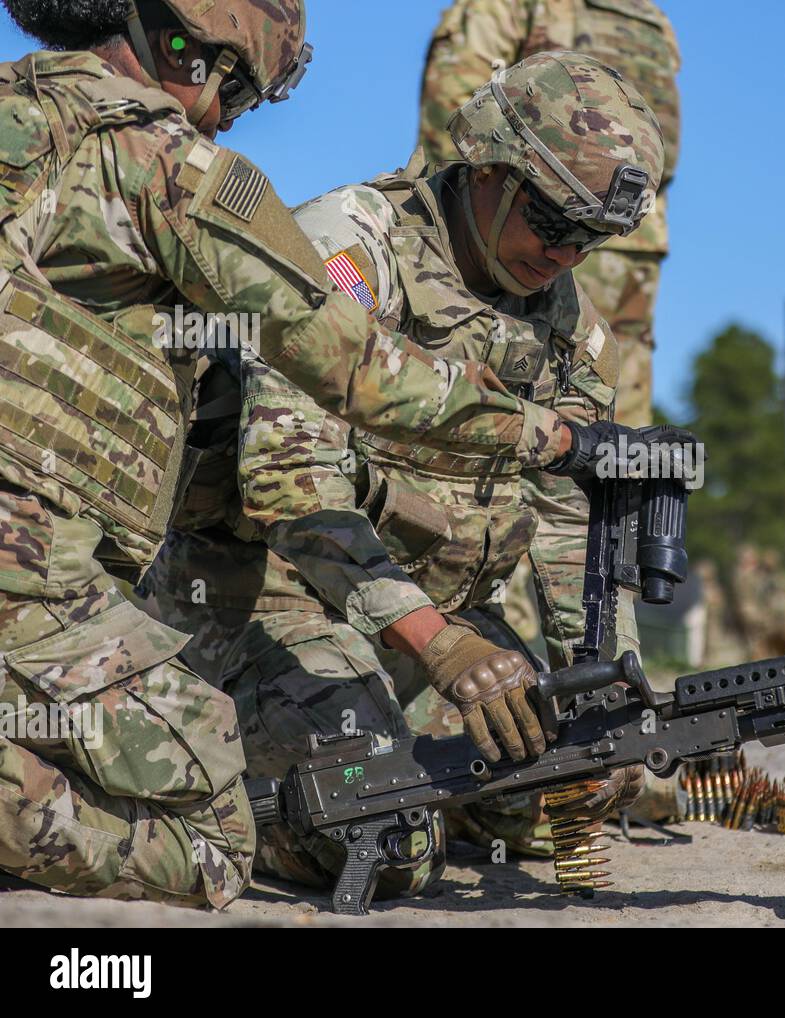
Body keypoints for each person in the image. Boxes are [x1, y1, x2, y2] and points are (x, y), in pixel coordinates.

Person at [0, 0, 597, 909]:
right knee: (215, 833)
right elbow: (344, 356)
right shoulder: (171, 167)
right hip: (37, 580)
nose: (227, 119)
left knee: (514, 771)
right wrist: (543, 435)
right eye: (239, 92)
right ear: (192, 52)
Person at [148, 50, 683, 893]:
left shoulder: (562, 324)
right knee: (378, 836)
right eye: (551, 222)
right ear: (488, 170)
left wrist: (598, 685)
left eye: (590, 237)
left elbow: (571, 519)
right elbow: (290, 477)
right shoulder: (348, 249)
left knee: (546, 798)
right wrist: (441, 643)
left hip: (428, 636)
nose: (565, 255)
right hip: (262, 605)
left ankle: (423, 763)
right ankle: (161, 789)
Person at [419, 0, 680, 429]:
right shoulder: (648, 16)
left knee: (473, 395)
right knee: (611, 431)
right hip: (629, 244)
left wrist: (438, 218)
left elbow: (455, 118)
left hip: (526, 225)